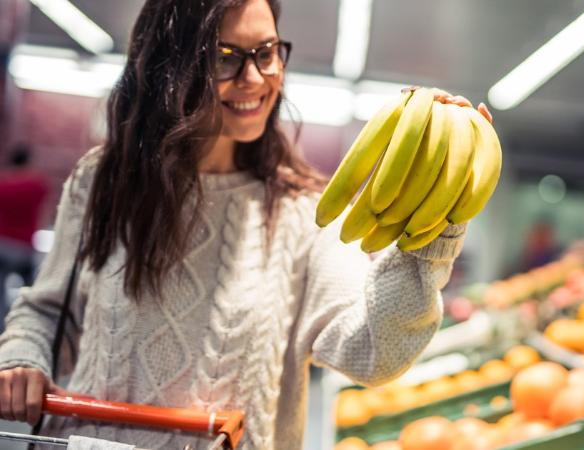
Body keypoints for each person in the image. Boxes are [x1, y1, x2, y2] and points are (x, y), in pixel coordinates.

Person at [0, 0, 492, 448]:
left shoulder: (305, 210)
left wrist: (436, 229)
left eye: (267, 51)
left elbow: (373, 354)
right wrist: (21, 359)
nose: (255, 78)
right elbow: (44, 312)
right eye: (225, 57)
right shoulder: (104, 181)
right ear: (171, 66)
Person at [0, 144, 48, 332]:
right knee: (30, 292)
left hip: (3, 244)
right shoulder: (37, 185)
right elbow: (45, 210)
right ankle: (26, 327)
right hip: (25, 246)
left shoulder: (3, 184)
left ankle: (3, 329)